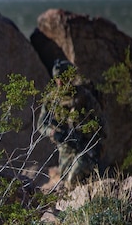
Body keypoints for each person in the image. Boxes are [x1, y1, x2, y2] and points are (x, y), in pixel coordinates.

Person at [38, 59, 105, 188]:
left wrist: (94, 140)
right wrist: (52, 132)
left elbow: (100, 121)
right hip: (66, 149)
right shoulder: (52, 99)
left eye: (63, 78)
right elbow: (41, 124)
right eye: (58, 78)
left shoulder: (84, 96)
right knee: (66, 181)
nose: (60, 82)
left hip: (86, 147)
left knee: (73, 179)